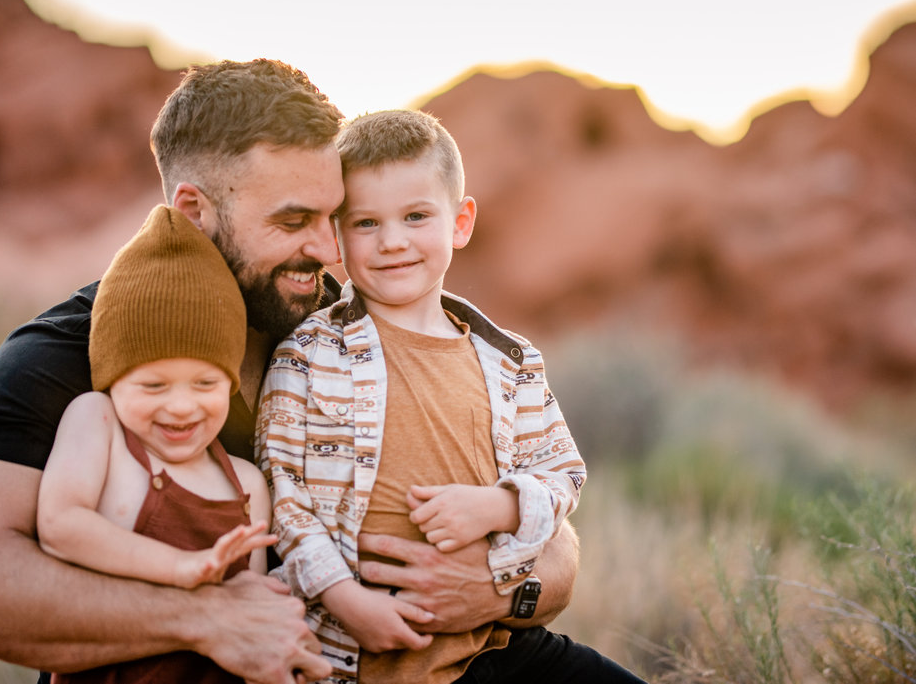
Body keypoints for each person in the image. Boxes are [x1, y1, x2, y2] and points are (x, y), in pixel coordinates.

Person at [0, 59, 583, 684]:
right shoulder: (70, 351)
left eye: (332, 217)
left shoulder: (345, 328)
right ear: (194, 212)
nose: (328, 251)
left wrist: (498, 590)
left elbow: (556, 543)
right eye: (294, 220)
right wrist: (206, 618)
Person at [257, 109, 648, 683]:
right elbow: (284, 490)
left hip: (496, 649)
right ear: (337, 236)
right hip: (351, 655)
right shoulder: (308, 355)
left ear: (460, 222)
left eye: (416, 216)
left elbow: (562, 471)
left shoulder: (512, 362)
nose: (392, 241)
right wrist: (344, 597)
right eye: (366, 223)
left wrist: (503, 507)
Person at [38, 204, 276, 683]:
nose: (182, 406)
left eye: (205, 383)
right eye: (153, 385)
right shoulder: (99, 423)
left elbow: (253, 614)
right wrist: (183, 568)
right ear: (113, 379)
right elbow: (60, 525)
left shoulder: (247, 483)